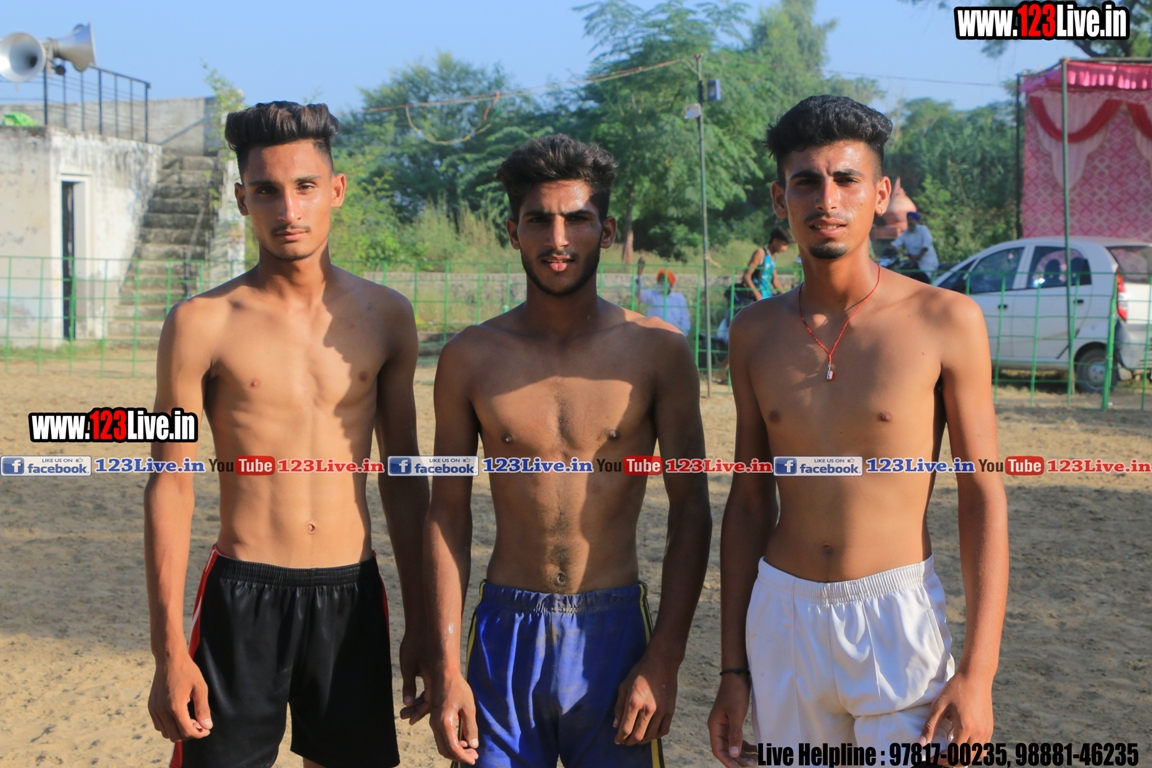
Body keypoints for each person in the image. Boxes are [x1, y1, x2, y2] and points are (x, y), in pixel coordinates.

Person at [707, 95, 1009, 766]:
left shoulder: (945, 320)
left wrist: (979, 673)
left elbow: (982, 495)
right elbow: (749, 500)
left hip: (897, 614)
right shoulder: (754, 333)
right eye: (806, 181)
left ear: (880, 194)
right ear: (780, 197)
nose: (827, 199)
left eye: (846, 180)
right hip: (782, 615)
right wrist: (733, 671)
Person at [145, 102, 430, 768]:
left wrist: (422, 622)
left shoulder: (387, 317)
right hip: (241, 596)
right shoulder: (198, 323)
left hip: (351, 596)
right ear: (241, 199)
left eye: (305, 186)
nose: (288, 209)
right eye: (267, 190)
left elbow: (404, 479)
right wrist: (168, 651)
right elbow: (170, 482)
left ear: (337, 190)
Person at [425, 134, 712, 768]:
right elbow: (446, 511)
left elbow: (692, 510)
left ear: (605, 231)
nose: (558, 239)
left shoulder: (658, 352)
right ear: (513, 231)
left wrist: (664, 657)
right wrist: (446, 665)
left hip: (615, 628)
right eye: (538, 220)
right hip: (504, 631)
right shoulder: (469, 357)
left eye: (577, 219)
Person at [633, 255, 693, 334]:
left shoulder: (679, 298)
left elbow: (684, 318)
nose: (661, 282)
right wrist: (639, 274)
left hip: (674, 335)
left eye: (664, 279)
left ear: (670, 283)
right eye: (660, 280)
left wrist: (682, 335)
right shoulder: (652, 295)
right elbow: (638, 293)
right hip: (654, 334)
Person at [741, 227, 791, 300]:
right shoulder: (760, 253)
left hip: (766, 297)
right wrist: (757, 295)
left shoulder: (773, 257)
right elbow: (746, 276)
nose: (785, 249)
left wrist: (787, 297)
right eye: (783, 244)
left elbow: (775, 281)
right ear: (775, 241)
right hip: (756, 300)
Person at [891, 211, 939, 281]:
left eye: (912, 219)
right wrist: (889, 251)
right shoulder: (906, 233)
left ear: (916, 220)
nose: (910, 222)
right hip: (914, 264)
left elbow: (926, 244)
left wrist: (918, 256)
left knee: (925, 282)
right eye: (908, 220)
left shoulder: (923, 230)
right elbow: (896, 244)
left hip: (927, 263)